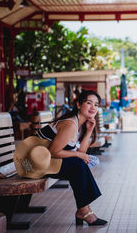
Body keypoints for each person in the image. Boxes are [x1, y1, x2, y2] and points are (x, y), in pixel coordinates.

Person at [37, 90, 107, 226]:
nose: (93, 107)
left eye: (96, 105)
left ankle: (84, 210)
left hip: (46, 161)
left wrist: (89, 131)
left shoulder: (79, 124)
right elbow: (53, 151)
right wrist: (78, 155)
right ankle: (84, 211)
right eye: (89, 103)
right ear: (78, 105)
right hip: (35, 164)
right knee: (77, 163)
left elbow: (81, 151)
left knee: (78, 163)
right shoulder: (70, 125)